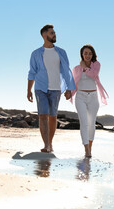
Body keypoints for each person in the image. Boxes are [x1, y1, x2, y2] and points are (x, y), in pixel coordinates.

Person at [27, 24, 76, 153]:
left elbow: (66, 71)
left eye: (54, 33)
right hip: (40, 88)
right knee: (43, 116)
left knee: (53, 116)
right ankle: (46, 145)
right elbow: (32, 72)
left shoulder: (61, 52)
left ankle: (50, 143)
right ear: (44, 35)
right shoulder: (36, 53)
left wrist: (69, 89)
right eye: (52, 33)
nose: (54, 35)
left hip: (56, 89)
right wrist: (28, 90)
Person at [71, 44, 108, 157]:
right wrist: (68, 92)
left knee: (91, 123)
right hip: (80, 96)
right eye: (85, 53)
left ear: (93, 55)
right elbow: (72, 82)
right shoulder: (76, 68)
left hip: (93, 96)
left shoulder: (96, 65)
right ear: (82, 54)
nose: (87, 55)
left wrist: (85, 67)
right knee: (84, 122)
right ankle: (86, 149)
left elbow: (93, 74)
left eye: (90, 53)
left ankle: (90, 147)